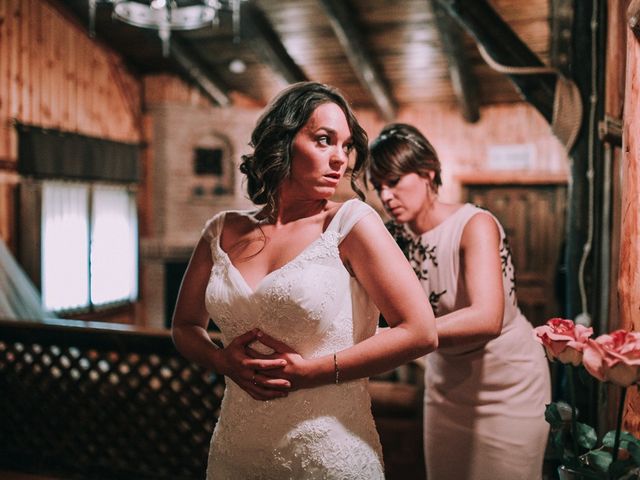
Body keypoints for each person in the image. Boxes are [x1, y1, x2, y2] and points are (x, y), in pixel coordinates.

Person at [171, 83, 438, 479]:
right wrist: (220, 360)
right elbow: (183, 326)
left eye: (345, 146)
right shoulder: (222, 230)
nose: (340, 160)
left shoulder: (351, 224)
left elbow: (420, 332)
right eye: (324, 140)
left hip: (327, 454)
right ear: (283, 141)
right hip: (235, 452)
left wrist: (310, 373)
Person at [368, 123, 551, 480]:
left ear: (427, 173)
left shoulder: (474, 224)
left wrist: (399, 336)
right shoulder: (394, 240)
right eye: (379, 187)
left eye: (393, 182)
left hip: (507, 385)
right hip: (445, 385)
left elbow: (486, 318)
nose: (386, 196)